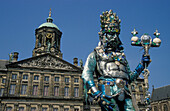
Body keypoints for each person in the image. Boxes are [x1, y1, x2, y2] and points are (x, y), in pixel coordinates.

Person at [82, 10, 150, 111]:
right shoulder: (95, 55)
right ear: (103, 35)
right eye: (111, 33)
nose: (114, 37)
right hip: (108, 93)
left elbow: (130, 78)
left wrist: (142, 65)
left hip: (125, 93)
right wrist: (96, 93)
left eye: (116, 34)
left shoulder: (122, 57)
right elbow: (86, 75)